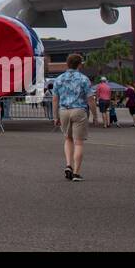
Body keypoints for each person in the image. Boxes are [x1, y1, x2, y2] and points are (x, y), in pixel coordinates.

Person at [52, 52, 96, 181]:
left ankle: (68, 165)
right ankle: (76, 173)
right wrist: (95, 115)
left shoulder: (59, 79)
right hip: (79, 110)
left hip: (64, 111)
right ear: (79, 64)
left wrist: (55, 116)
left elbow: (55, 99)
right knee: (79, 142)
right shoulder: (84, 79)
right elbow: (90, 99)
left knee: (68, 139)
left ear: (67, 63)